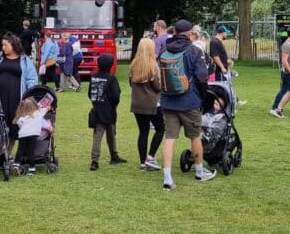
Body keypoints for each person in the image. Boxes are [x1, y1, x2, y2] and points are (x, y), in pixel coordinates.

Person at [159, 19, 215, 191]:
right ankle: (199, 171)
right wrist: (203, 96)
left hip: (168, 100)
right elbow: (202, 77)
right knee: (195, 136)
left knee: (169, 138)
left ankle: (167, 177)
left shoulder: (164, 50)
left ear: (175, 31)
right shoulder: (194, 51)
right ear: (190, 33)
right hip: (189, 101)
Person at [0, 32, 38, 152]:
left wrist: (29, 95)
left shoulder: (25, 60)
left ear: (13, 45)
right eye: (2, 45)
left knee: (13, 125)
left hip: (16, 98)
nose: (3, 48)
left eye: (5, 45)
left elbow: (32, 79)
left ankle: (7, 153)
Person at [129, 37, 164, 171]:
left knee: (143, 131)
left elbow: (131, 84)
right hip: (152, 103)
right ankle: (150, 156)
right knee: (160, 129)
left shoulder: (133, 65)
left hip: (137, 104)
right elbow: (157, 87)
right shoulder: (153, 66)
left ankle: (143, 162)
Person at [88, 53, 126, 170]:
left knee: (97, 137)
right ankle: (114, 156)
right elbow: (116, 96)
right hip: (109, 111)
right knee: (111, 134)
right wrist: (112, 105)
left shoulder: (93, 77)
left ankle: (95, 161)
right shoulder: (111, 78)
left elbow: (90, 94)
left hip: (97, 111)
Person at [12, 97, 53, 176]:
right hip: (33, 135)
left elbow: (20, 125)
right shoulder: (39, 112)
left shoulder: (21, 117)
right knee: (31, 152)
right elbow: (48, 108)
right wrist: (49, 105)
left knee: (20, 150)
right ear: (34, 106)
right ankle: (32, 169)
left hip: (23, 135)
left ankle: (16, 165)